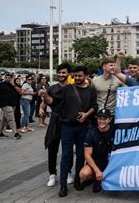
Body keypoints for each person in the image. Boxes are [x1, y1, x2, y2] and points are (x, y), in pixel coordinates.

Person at [40, 66, 98, 197]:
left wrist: (86, 114)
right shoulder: (67, 89)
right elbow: (53, 101)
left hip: (83, 127)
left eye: (80, 76)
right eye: (75, 76)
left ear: (85, 76)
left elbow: (94, 106)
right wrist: (45, 96)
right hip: (67, 126)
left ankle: (77, 180)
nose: (77, 78)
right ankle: (63, 185)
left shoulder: (91, 91)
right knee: (66, 155)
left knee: (80, 155)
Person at [39, 64, 74, 188]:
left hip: (67, 121)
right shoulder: (52, 88)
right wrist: (40, 108)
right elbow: (46, 100)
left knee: (67, 148)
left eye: (63, 73)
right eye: (59, 72)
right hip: (55, 120)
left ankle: (68, 171)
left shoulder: (72, 88)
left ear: (68, 74)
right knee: (52, 148)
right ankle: (52, 174)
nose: (61, 75)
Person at [79, 109, 113, 193]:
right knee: (83, 174)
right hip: (97, 161)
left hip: (111, 161)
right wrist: (97, 171)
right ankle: (96, 178)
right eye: (99, 119)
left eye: (104, 119)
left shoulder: (115, 131)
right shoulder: (91, 133)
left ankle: (104, 178)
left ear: (110, 119)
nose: (101, 121)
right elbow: (87, 155)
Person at [0, 73, 22, 139]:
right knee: (11, 119)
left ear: (11, 78)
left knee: (4, 120)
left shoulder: (13, 85)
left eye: (9, 77)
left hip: (13, 105)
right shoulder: (0, 85)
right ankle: (16, 134)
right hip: (5, 105)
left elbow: (20, 92)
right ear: (4, 78)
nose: (7, 78)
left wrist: (14, 85)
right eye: (6, 77)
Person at [92, 57, 125, 122]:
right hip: (99, 113)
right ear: (104, 67)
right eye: (111, 65)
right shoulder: (95, 80)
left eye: (114, 65)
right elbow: (92, 96)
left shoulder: (119, 79)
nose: (113, 67)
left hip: (113, 114)